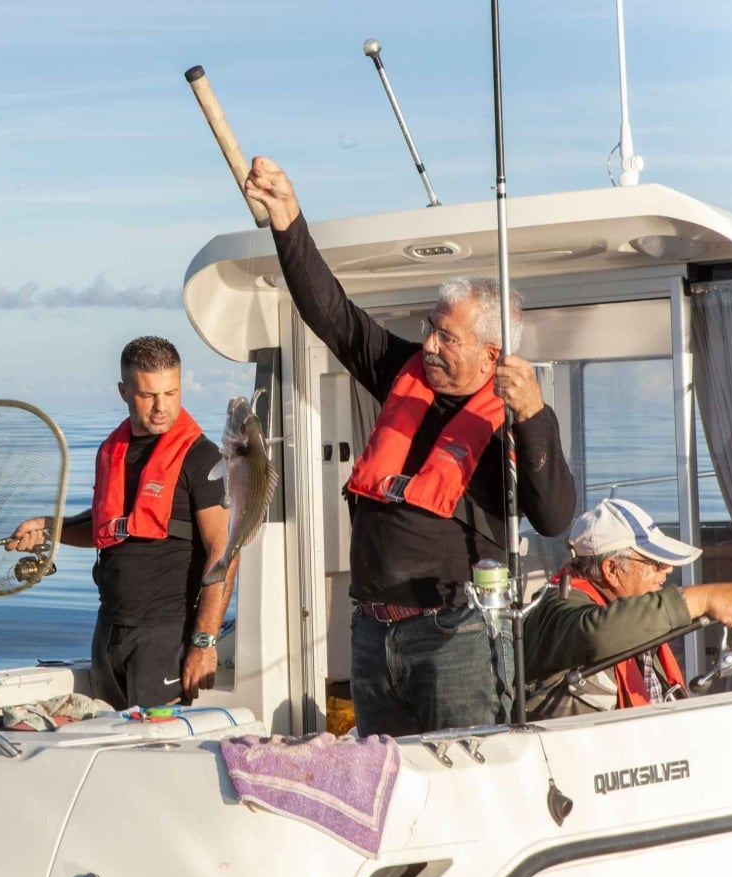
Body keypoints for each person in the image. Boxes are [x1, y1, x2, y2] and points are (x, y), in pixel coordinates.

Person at [243, 156, 577, 736]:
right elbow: (334, 317)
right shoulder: (404, 371)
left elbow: (553, 517)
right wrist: (288, 222)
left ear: (490, 355)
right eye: (430, 327)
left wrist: (536, 416)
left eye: (446, 336)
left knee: (464, 778)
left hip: (454, 638)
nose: (427, 344)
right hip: (372, 633)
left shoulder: (509, 420)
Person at [8, 337, 233, 709]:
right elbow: (105, 528)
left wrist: (204, 643)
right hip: (109, 631)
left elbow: (224, 552)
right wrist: (51, 527)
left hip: (165, 636)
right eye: (148, 395)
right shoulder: (112, 451)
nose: (161, 407)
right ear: (124, 391)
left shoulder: (201, 457)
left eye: (171, 392)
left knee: (156, 752)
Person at [524, 498, 732, 716]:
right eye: (655, 562)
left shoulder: (629, 611)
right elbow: (596, 633)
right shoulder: (556, 607)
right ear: (611, 569)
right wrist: (702, 600)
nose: (667, 569)